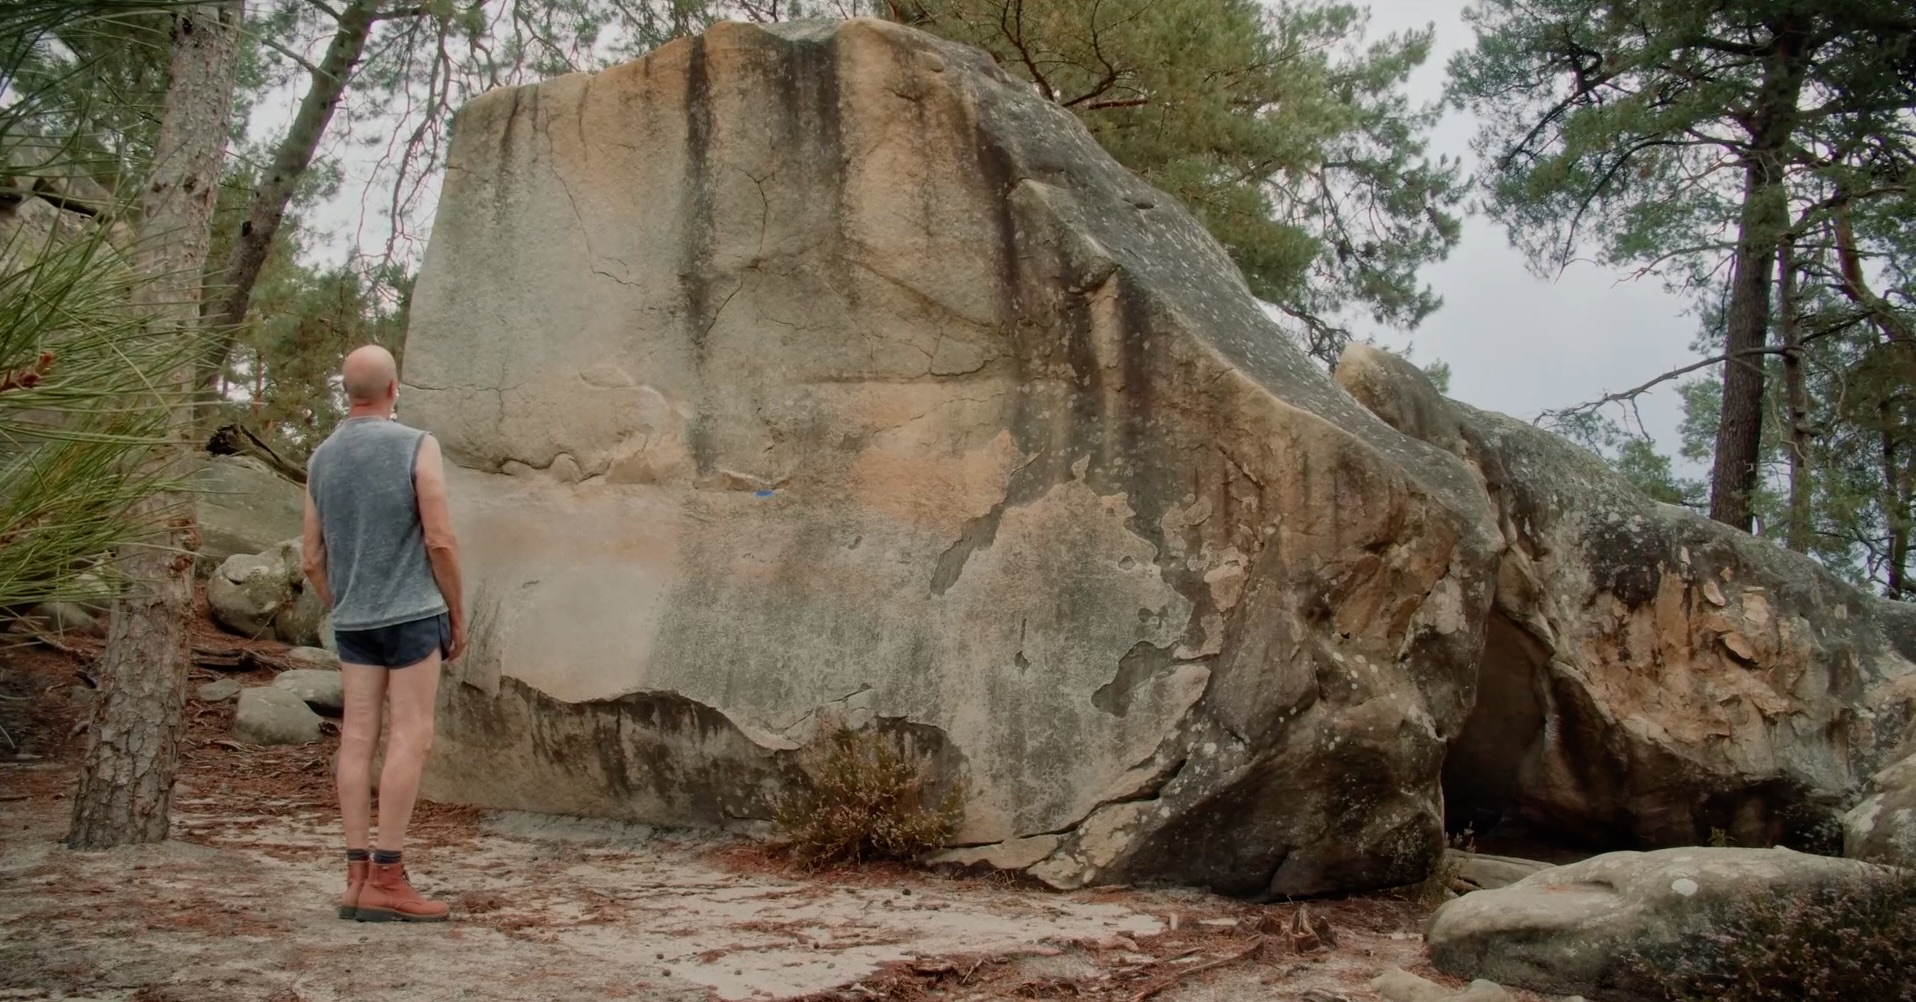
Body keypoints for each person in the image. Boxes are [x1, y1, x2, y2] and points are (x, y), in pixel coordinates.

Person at [302, 345, 467, 923]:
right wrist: (457, 612)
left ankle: (355, 879)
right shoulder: (417, 445)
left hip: (354, 622)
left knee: (356, 739)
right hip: (413, 616)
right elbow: (440, 539)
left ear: (349, 392)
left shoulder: (321, 459)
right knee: (411, 736)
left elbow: (311, 559)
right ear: (394, 388)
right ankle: (389, 877)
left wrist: (343, 604)